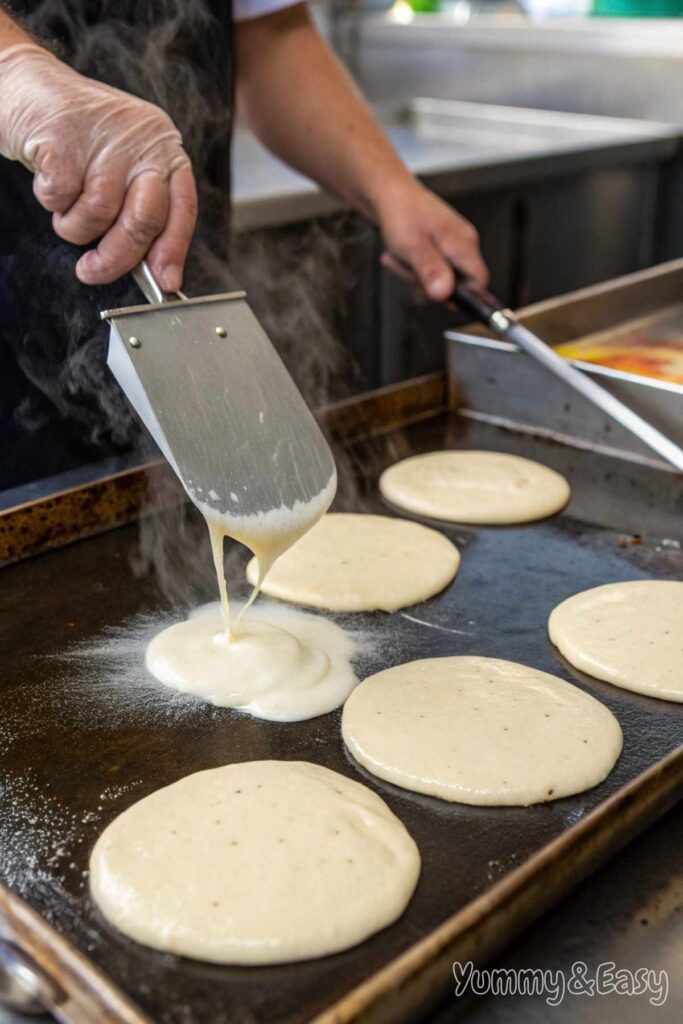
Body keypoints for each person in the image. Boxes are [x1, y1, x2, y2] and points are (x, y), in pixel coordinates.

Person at [0, 1, 488, 489]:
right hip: (12, 344)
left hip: (184, 301)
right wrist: (15, 74)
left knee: (199, 506)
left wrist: (392, 191)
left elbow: (274, 37)